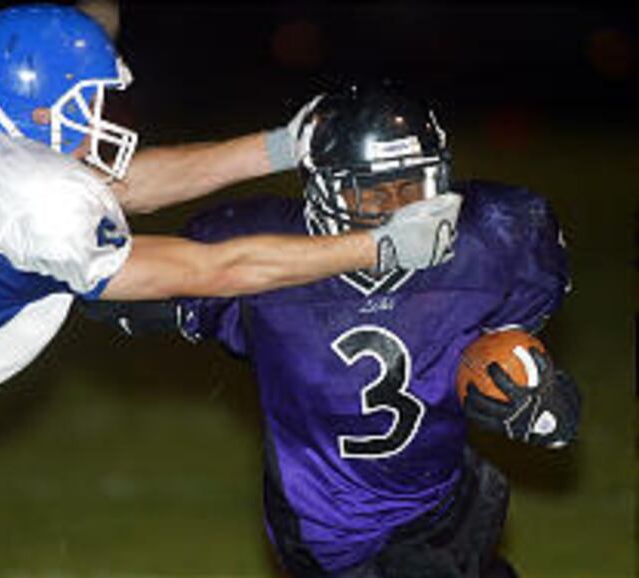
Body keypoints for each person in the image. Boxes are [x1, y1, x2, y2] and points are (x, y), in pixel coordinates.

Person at [0, 6, 463, 578]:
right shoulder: (30, 204)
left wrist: (281, 146)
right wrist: (375, 247)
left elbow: (111, 188)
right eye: (84, 104)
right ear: (31, 107)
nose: (99, 120)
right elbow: (211, 271)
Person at [82, 82, 582, 578]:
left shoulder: (493, 237)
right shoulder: (260, 259)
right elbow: (121, 289)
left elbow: (515, 348)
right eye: (371, 192)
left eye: (413, 186)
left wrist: (535, 389)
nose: (399, 209)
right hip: (323, 526)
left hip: (440, 505)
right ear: (321, 190)